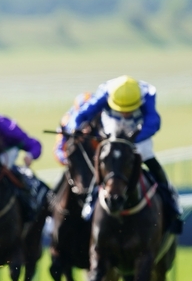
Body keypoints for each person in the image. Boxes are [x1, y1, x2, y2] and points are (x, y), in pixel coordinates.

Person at [66, 75, 183, 233]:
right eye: (122, 110)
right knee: (103, 165)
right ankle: (91, 201)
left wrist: (130, 140)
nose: (126, 114)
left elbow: (153, 122)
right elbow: (81, 115)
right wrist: (75, 128)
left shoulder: (147, 93)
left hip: (137, 135)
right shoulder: (105, 92)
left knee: (152, 162)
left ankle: (172, 205)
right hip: (112, 134)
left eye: (130, 110)